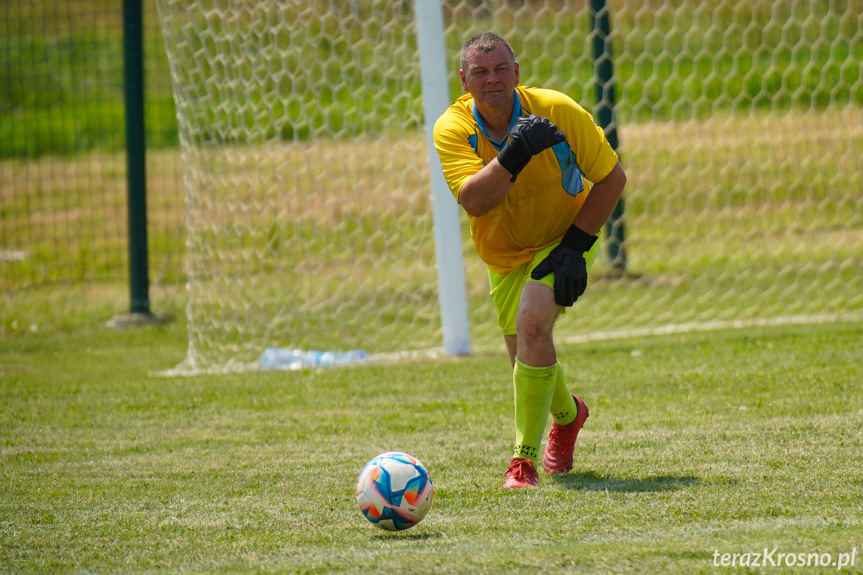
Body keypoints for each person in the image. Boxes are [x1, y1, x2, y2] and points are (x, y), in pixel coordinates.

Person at [433, 32, 627, 489]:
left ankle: (522, 463)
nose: (492, 79)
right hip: (503, 253)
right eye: (480, 72)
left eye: (501, 68)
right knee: (525, 359)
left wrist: (576, 247)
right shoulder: (452, 129)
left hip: (565, 235)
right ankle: (569, 415)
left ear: (517, 73)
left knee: (534, 324)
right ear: (465, 81)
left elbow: (612, 179)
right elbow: (475, 202)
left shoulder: (557, 110)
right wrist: (517, 150)